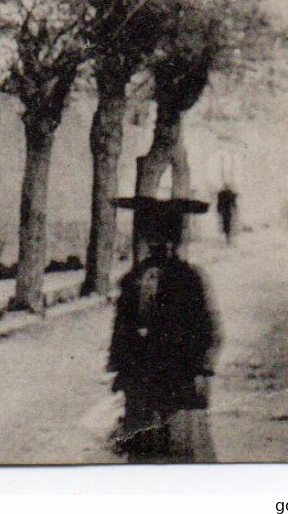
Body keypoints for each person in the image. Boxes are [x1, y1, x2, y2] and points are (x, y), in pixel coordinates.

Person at [107, 196, 222, 463]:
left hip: (179, 381)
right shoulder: (134, 280)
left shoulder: (190, 280)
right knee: (146, 454)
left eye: (164, 240)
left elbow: (208, 331)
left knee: (182, 453)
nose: (159, 247)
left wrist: (202, 369)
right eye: (154, 240)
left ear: (174, 242)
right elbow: (122, 330)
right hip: (144, 383)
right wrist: (122, 371)